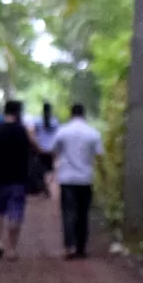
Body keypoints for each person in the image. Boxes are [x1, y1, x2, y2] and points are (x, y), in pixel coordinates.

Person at [52, 103, 103, 260]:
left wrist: (54, 170)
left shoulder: (63, 131)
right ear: (84, 114)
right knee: (83, 213)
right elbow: (99, 155)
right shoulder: (93, 133)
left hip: (67, 178)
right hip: (85, 178)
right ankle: (82, 247)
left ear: (71, 114)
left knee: (68, 212)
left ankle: (69, 247)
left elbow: (55, 150)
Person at [0, 99, 34, 260]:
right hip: (18, 178)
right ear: (18, 113)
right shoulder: (24, 130)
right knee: (16, 212)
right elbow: (36, 146)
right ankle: (12, 249)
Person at [31, 102, 59, 198]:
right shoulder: (55, 122)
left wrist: (36, 147)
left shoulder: (38, 121)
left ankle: (44, 187)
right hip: (51, 149)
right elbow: (57, 136)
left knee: (40, 170)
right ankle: (47, 186)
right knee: (50, 170)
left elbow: (34, 135)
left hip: (40, 149)